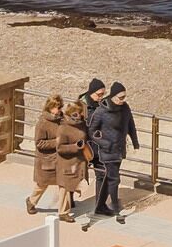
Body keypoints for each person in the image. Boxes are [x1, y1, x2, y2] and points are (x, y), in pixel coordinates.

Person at [23, 90, 87, 222]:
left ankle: (63, 212)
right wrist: (56, 142)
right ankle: (31, 201)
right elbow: (39, 143)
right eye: (56, 107)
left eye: (60, 107)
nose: (58, 110)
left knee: (64, 185)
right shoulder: (43, 123)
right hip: (48, 160)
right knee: (42, 184)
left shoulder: (62, 119)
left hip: (62, 160)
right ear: (50, 107)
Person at [85, 79, 138, 221]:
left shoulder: (104, 106)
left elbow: (129, 123)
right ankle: (103, 206)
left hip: (107, 149)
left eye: (103, 93)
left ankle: (101, 206)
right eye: (99, 94)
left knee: (105, 177)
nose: (101, 96)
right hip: (94, 149)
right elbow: (88, 129)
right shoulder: (87, 107)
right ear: (91, 93)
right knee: (103, 177)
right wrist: (102, 142)